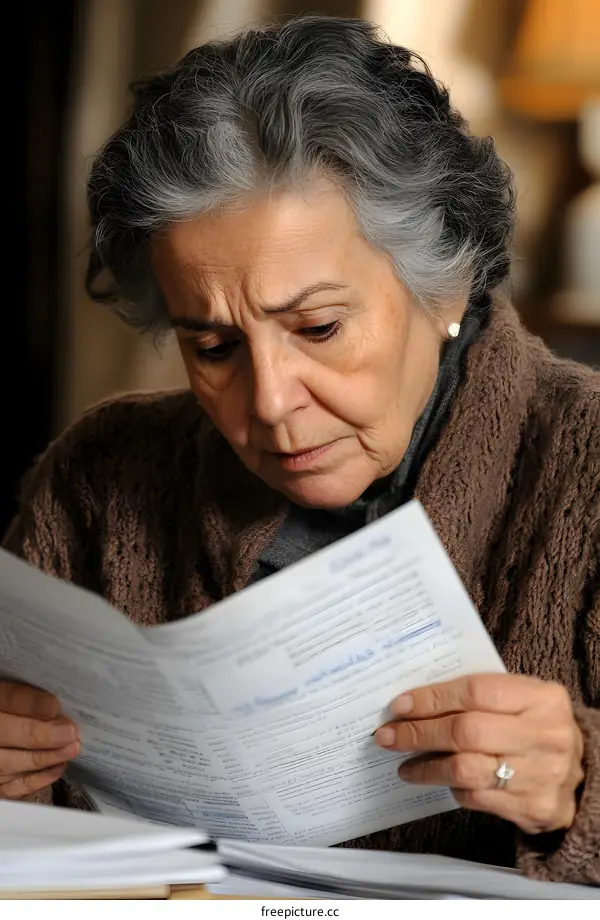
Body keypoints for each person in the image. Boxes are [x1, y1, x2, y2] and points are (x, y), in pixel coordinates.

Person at [1, 15, 598, 886]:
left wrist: (579, 785)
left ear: (444, 284)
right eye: (213, 348)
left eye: (317, 327)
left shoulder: (585, 463)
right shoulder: (99, 478)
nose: (272, 405)